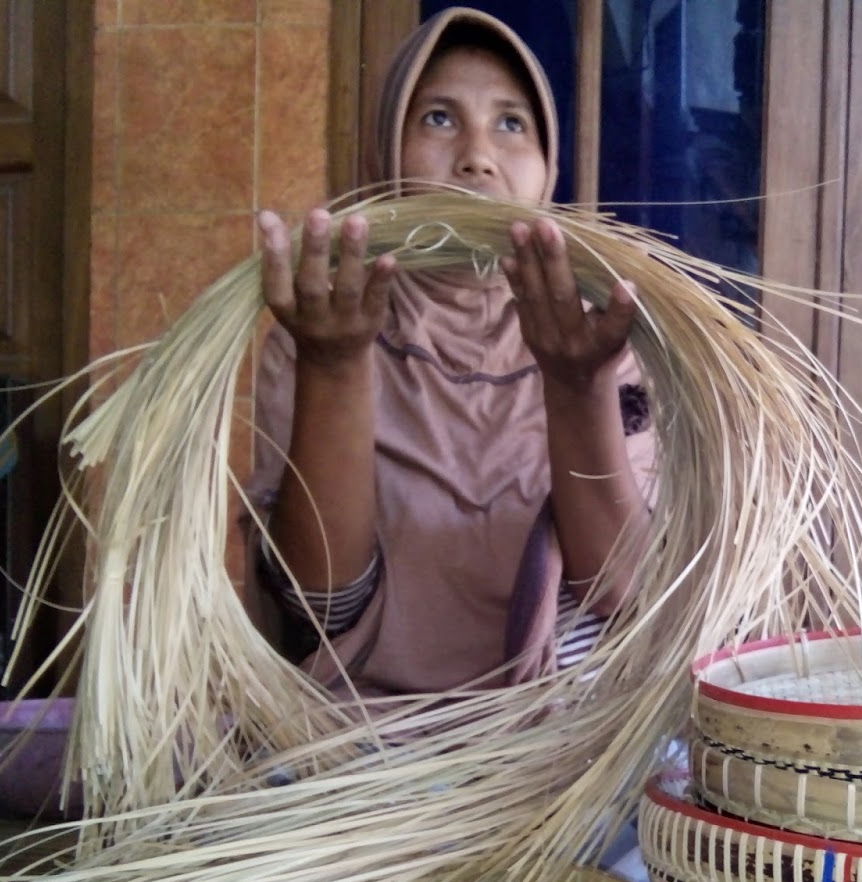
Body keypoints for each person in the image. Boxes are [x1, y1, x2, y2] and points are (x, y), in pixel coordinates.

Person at [245, 8, 655, 700]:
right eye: (438, 118)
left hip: (559, 753)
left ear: (548, 171)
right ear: (385, 160)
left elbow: (621, 588)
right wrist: (337, 367)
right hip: (365, 747)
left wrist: (576, 384)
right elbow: (320, 607)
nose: (476, 155)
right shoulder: (319, 332)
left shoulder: (599, 341)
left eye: (510, 123)